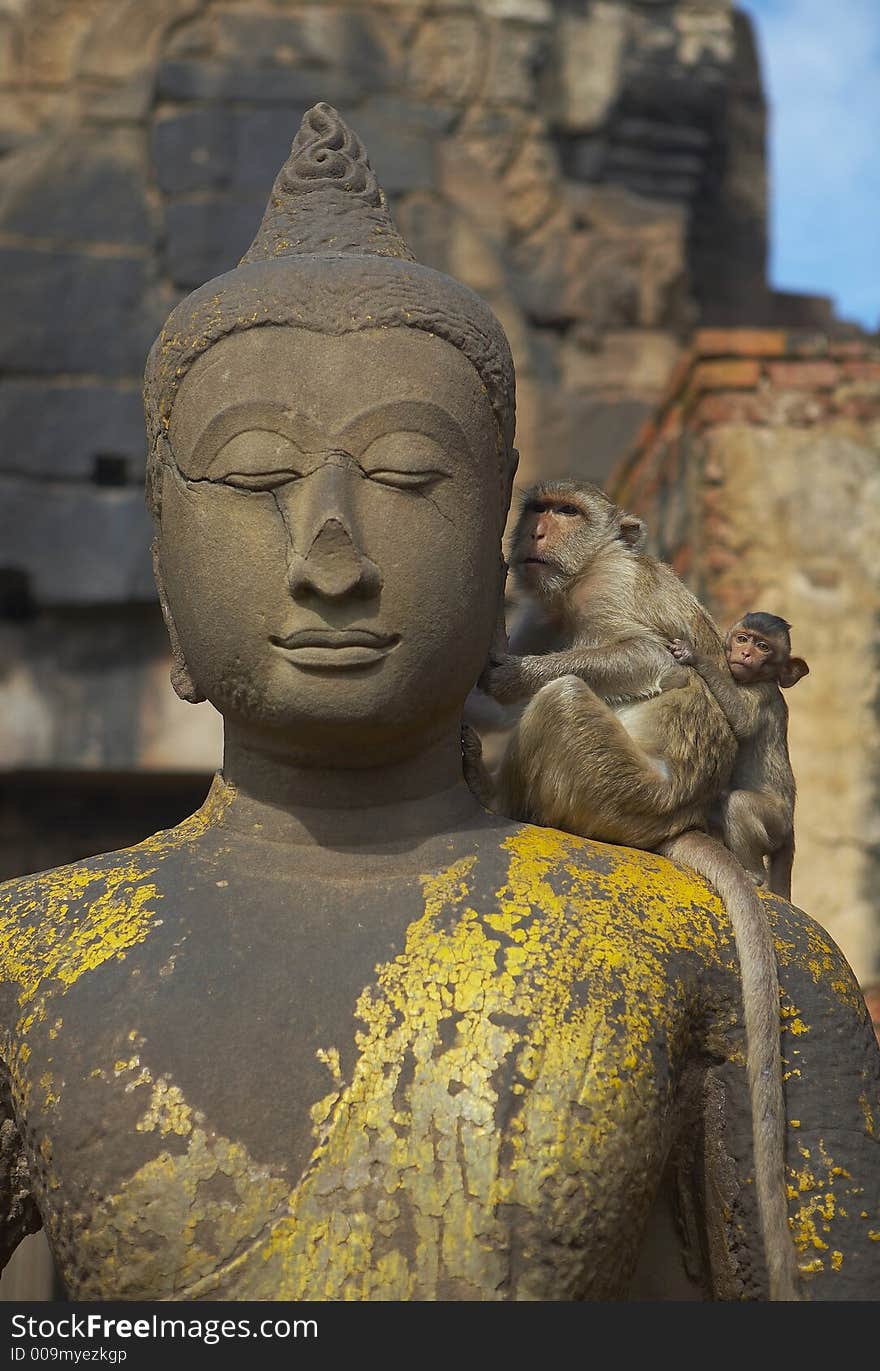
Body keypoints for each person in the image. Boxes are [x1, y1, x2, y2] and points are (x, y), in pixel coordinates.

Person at [0, 104, 877, 1302]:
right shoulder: (29, 959)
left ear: (494, 540)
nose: (331, 560)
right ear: (160, 559)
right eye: (254, 474)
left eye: (413, 477)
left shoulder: (715, 954)